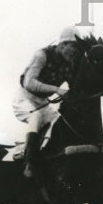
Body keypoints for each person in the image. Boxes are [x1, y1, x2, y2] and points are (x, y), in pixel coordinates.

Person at [14, 26, 83, 184]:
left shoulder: (70, 62)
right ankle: (29, 162)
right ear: (62, 44)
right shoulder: (42, 55)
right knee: (36, 117)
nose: (74, 53)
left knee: (60, 121)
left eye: (76, 50)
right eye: (72, 48)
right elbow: (29, 83)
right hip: (25, 98)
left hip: (43, 102)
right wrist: (57, 90)